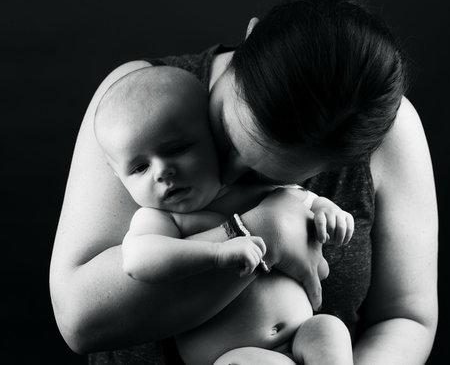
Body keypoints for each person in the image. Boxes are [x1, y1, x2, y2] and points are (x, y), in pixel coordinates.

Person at [50, 0, 438, 365]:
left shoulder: (387, 132)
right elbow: (79, 322)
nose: (228, 171)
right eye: (222, 127)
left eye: (262, 174)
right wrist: (264, 230)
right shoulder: (135, 104)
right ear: (251, 37)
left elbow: (405, 318)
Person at [93, 64, 355, 364]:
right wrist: (217, 252)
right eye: (140, 168)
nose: (163, 172)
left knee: (330, 328)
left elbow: (301, 200)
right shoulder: (161, 218)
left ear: (214, 136)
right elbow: (139, 260)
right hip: (232, 355)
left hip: (302, 331)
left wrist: (327, 212)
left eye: (178, 149)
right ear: (118, 175)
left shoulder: (251, 186)